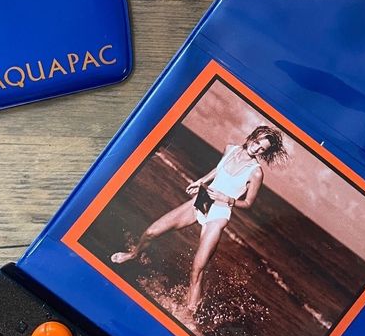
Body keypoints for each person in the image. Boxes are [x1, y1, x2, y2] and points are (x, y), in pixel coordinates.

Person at [111, 125, 288, 312]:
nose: (257, 148)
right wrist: (201, 181)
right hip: (202, 201)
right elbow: (218, 169)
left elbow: (248, 203)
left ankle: (189, 315)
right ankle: (133, 255)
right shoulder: (230, 149)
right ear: (251, 137)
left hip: (218, 215)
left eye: (262, 149)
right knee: (151, 232)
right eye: (257, 142)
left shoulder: (256, 172)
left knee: (197, 269)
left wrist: (227, 199)